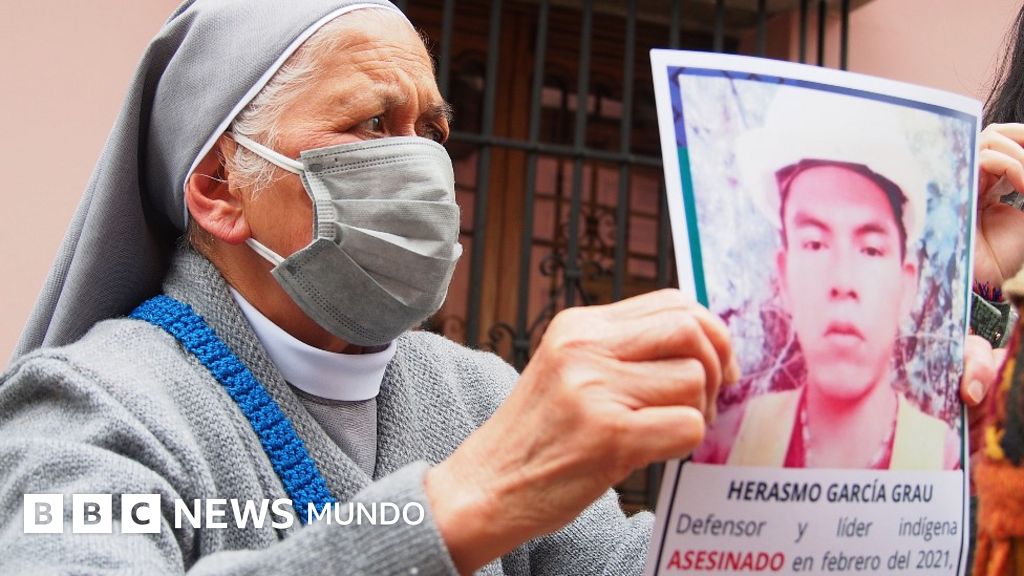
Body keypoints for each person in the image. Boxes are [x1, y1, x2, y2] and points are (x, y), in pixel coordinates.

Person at [0, 2, 739, 574]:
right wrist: (467, 501)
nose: (420, 163)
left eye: (433, 130)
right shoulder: (94, 407)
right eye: (372, 123)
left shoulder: (478, 394)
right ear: (221, 188)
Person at [697, 90, 959, 469]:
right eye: (816, 244)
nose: (842, 281)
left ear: (907, 286)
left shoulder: (949, 461)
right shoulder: (729, 446)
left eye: (870, 249)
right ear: (784, 279)